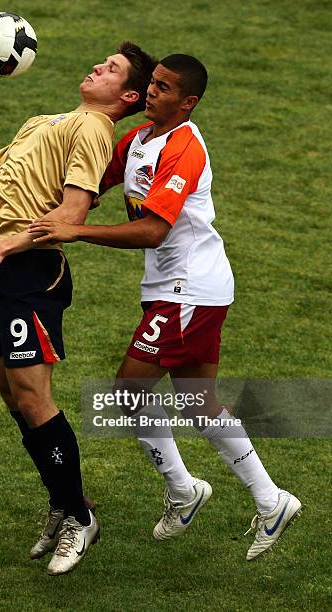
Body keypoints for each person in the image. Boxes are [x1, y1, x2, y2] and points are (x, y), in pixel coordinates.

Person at [28, 54, 302, 561]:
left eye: (165, 88)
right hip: (175, 288)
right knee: (199, 402)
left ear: (188, 102)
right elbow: (87, 185)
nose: (152, 92)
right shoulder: (137, 141)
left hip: (189, 288)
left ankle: (183, 488)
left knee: (127, 394)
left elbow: (154, 230)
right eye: (151, 83)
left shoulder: (184, 149)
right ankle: (272, 500)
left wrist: (75, 231)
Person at [0, 42, 157, 576]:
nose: (97, 65)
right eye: (101, 59)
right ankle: (62, 500)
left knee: (34, 396)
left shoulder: (94, 131)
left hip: (30, 272)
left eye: (112, 70)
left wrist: (7, 247)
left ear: (127, 95)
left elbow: (72, 212)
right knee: (14, 396)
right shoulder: (44, 120)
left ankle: (80, 517)